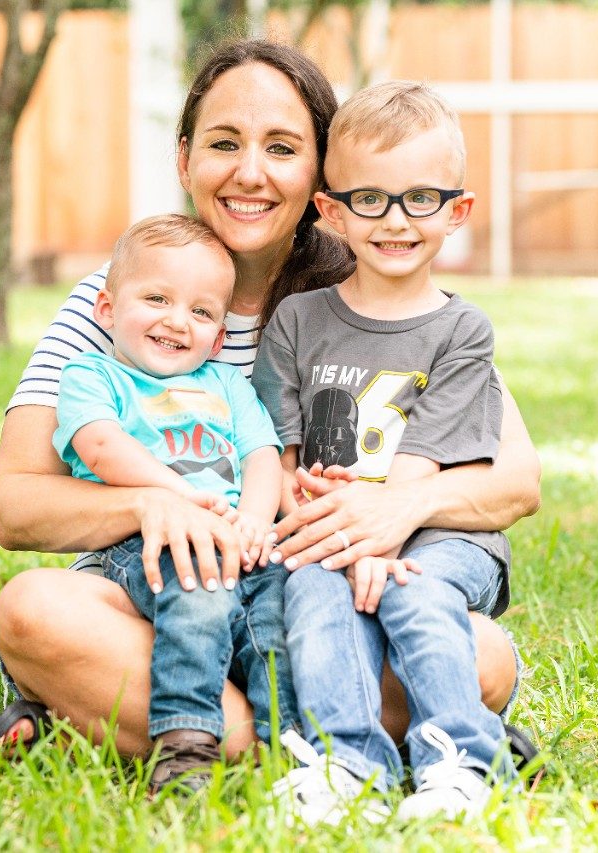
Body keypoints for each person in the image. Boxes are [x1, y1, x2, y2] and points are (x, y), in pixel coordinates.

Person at [0, 39, 540, 764]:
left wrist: (394, 508)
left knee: (484, 655)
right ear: (184, 161)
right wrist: (151, 504)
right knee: (31, 611)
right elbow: (15, 504)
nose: (249, 172)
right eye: (223, 143)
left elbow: (514, 478)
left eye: (282, 147)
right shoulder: (121, 301)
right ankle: (311, 732)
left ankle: (151, 721)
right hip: (158, 598)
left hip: (324, 604)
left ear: (324, 175)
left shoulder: (379, 292)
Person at [254, 80, 515, 825]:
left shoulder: (463, 332)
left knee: (412, 590)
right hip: (329, 529)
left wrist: (378, 532)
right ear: (330, 210)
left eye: (420, 198)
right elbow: (281, 451)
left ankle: (463, 760)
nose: (396, 220)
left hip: (439, 535)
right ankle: (348, 764)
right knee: (309, 589)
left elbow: (421, 463)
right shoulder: (298, 322)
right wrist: (333, 536)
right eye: (369, 199)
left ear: (457, 211)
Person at [50, 213, 297, 791]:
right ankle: (184, 743)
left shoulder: (225, 384)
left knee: (280, 614)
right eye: (156, 298)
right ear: (108, 310)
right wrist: (185, 498)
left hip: (237, 537)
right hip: (145, 542)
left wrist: (256, 521)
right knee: (199, 596)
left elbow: (262, 455)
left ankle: (288, 740)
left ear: (218, 337)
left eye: (201, 311)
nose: (176, 321)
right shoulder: (94, 375)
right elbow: (102, 445)